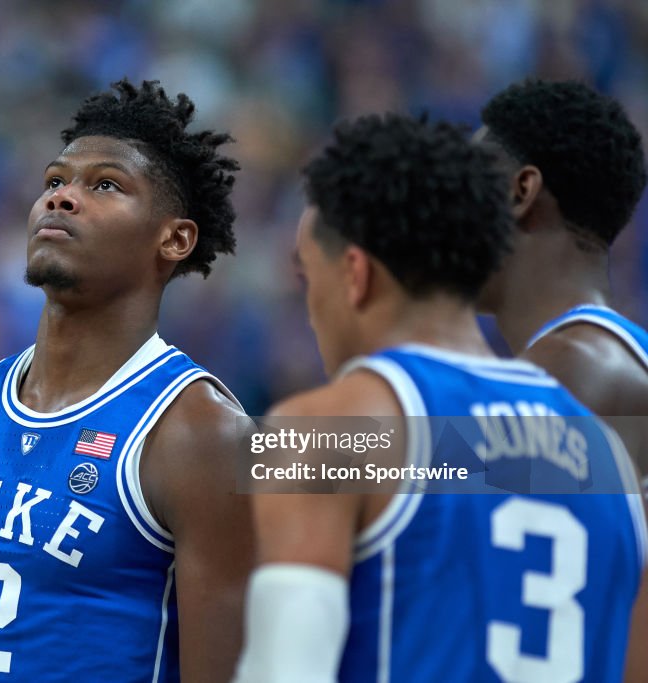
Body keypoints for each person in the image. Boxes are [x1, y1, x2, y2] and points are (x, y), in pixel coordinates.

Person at [233, 113, 648, 682]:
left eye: (310, 280)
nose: (309, 312)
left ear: (355, 275)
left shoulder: (324, 431)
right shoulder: (610, 455)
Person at [0, 79, 253, 683]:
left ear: (175, 238)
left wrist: (483, 451)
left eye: (105, 185)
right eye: (55, 181)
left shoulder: (199, 431)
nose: (61, 199)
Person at [476, 79, 648, 419]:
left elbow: (445, 471)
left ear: (521, 192)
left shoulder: (568, 369)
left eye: (467, 180)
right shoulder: (609, 354)